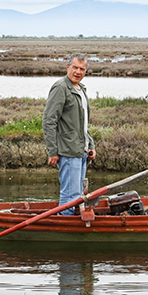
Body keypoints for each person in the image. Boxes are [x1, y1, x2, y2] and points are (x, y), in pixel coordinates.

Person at [43, 53, 96, 215]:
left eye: (82, 69)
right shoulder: (61, 88)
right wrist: (53, 151)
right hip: (67, 151)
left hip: (81, 151)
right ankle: (63, 223)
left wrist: (91, 146)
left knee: (78, 194)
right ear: (68, 67)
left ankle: (68, 220)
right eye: (75, 67)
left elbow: (83, 124)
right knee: (70, 195)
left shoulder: (81, 90)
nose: (78, 72)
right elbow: (49, 121)